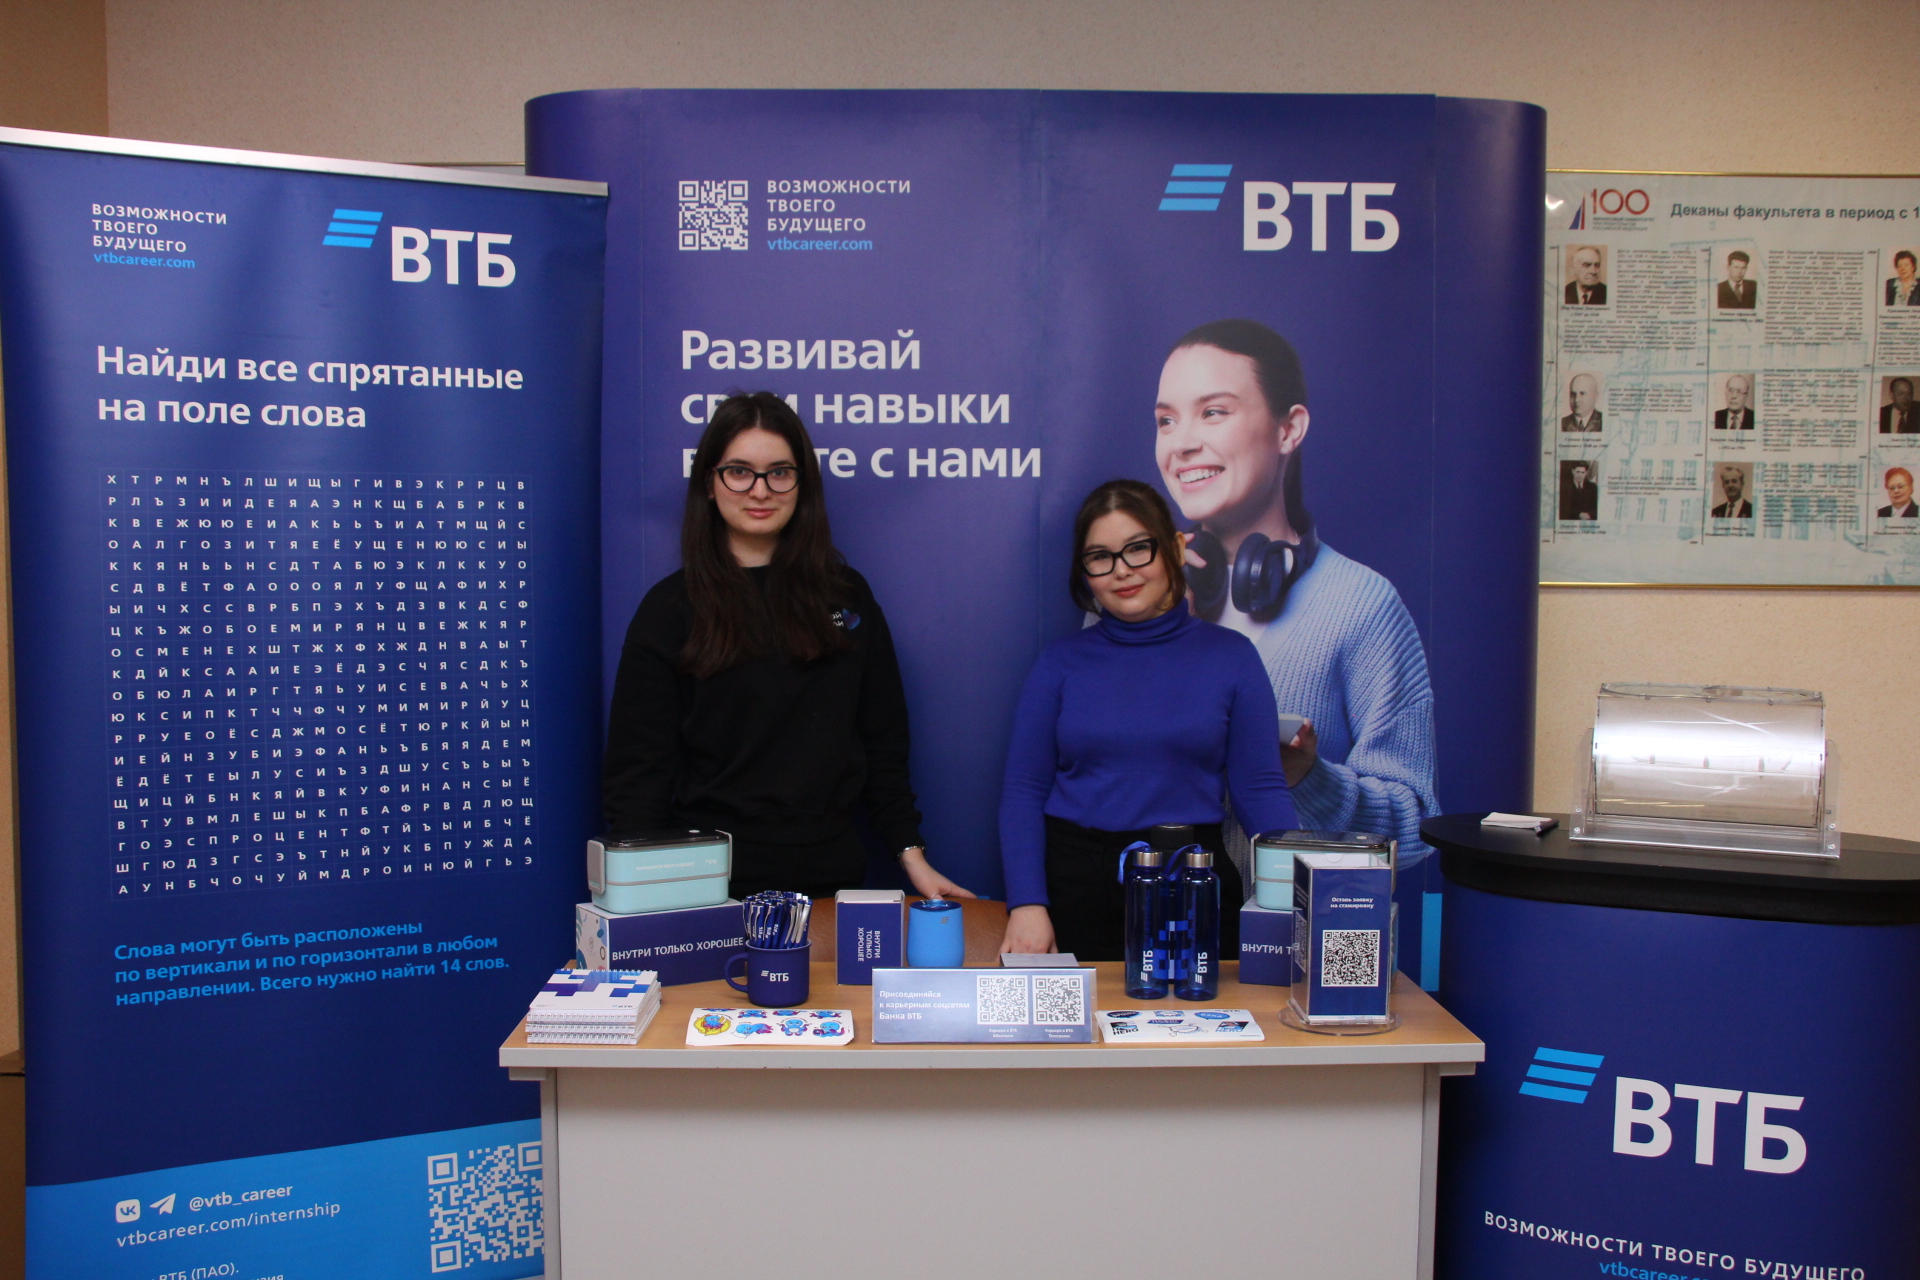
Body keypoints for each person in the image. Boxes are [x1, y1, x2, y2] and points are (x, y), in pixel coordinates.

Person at [602, 392, 972, 902]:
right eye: (739, 472)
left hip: (830, 879)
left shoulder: (846, 597)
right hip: (707, 885)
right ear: (709, 483)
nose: (760, 490)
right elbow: (638, 774)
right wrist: (638, 901)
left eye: (779, 472)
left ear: (803, 483)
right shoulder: (669, 609)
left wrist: (911, 853)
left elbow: (883, 744)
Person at [1150, 319, 1439, 876]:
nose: (1182, 443)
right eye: (1166, 420)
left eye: (1214, 412)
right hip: (1154, 919)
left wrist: (1308, 777)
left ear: (1289, 429)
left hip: (1290, 928)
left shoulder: (1361, 604)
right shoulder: (1138, 594)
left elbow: (1416, 828)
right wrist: (1156, 639)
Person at [997, 480, 1296, 958]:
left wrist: (1299, 894)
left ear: (1176, 548)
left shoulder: (1233, 657)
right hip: (1077, 889)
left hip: (1193, 881)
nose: (1121, 570)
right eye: (1100, 557)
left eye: (1138, 548)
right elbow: (1024, 791)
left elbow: (1260, 789)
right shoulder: (1060, 663)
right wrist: (1027, 903)